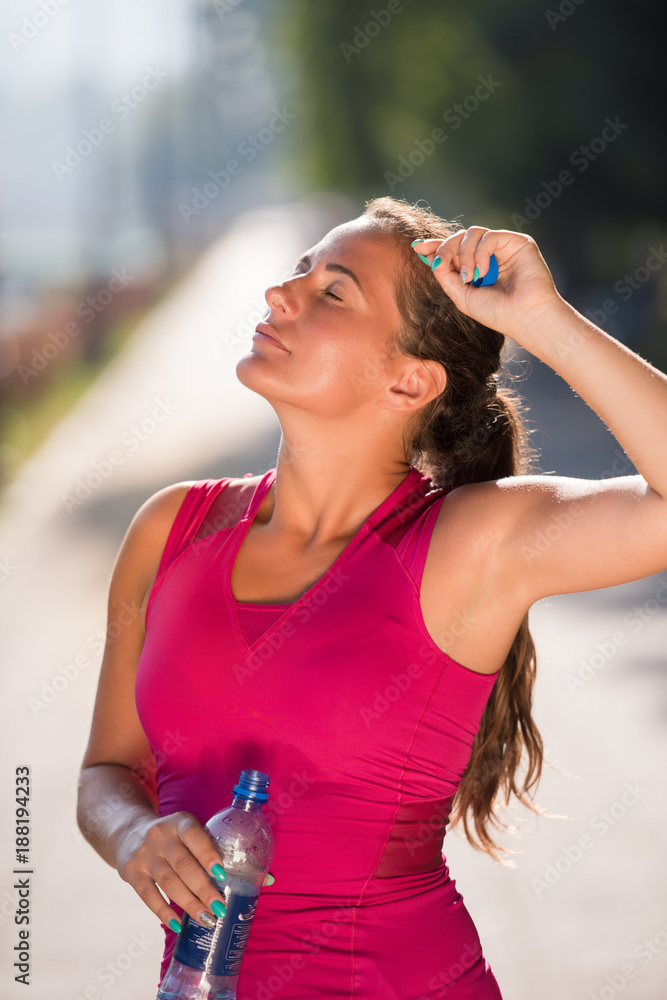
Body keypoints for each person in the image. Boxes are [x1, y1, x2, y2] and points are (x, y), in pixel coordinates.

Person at [76, 195, 667, 998]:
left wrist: (544, 319)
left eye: (333, 292)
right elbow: (107, 770)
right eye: (297, 273)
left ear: (407, 382)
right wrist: (132, 833)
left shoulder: (464, 545)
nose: (279, 295)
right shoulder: (170, 529)